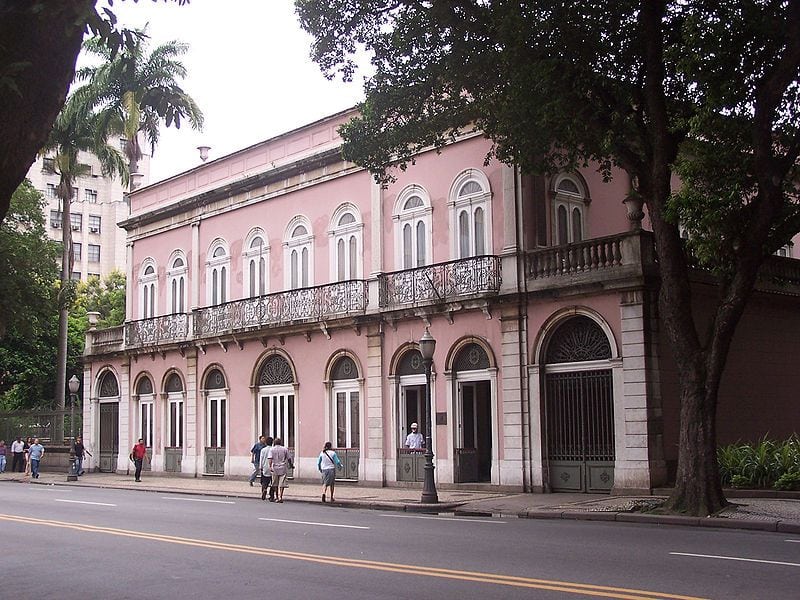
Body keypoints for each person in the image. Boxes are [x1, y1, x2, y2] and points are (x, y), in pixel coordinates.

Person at [268, 437, 291, 503]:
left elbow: (270, 458)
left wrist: (270, 466)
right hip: (283, 467)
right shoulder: (284, 449)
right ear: (280, 442)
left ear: (274, 443)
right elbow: (289, 458)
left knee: (275, 483)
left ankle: (276, 496)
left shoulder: (272, 449)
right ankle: (280, 496)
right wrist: (290, 465)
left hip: (275, 467)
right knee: (282, 483)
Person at [258, 436, 274, 501]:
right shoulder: (273, 449)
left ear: (266, 443)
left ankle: (264, 490)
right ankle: (271, 495)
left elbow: (261, 459)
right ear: (272, 442)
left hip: (265, 467)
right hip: (272, 468)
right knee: (273, 482)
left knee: (264, 481)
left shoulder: (263, 450)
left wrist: (260, 467)